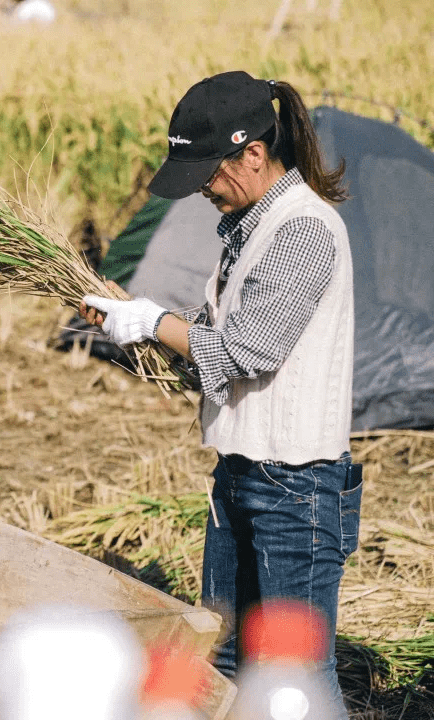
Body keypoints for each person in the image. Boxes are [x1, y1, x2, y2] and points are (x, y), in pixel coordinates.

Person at [79, 71, 362, 719]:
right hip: (241, 474)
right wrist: (138, 332)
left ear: (253, 154)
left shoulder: (303, 231)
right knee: (227, 659)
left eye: (209, 172)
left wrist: (154, 321)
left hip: (296, 487)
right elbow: (214, 357)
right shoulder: (246, 230)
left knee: (296, 676)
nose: (202, 189)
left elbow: (246, 351)